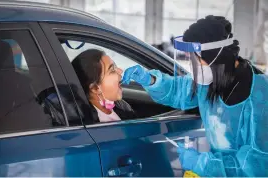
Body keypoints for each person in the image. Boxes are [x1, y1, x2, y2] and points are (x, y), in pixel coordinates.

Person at [122, 15, 268, 177]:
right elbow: (179, 90)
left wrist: (202, 164)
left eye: (197, 59)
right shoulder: (211, 79)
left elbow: (257, 167)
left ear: (215, 56)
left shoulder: (260, 95)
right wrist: (150, 79)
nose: (193, 66)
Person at [72, 49, 136, 123]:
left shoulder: (122, 106)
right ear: (95, 88)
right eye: (112, 70)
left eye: (115, 66)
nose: (120, 71)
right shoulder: (87, 123)